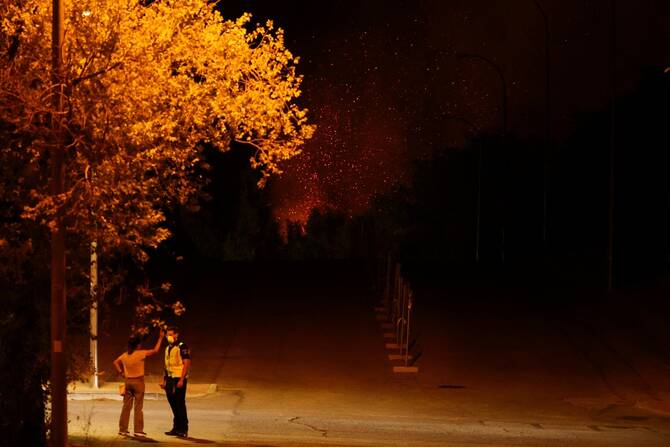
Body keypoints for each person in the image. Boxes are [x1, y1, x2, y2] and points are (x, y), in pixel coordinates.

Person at [113, 328, 164, 437]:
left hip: (128, 382)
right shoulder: (141, 353)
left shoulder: (125, 355)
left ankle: (123, 429)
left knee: (126, 407)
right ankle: (138, 430)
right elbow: (155, 350)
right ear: (137, 345)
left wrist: (121, 372)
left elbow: (115, 362)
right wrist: (160, 338)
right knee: (138, 407)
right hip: (138, 382)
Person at [161, 326, 191, 438]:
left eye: (171, 334)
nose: (168, 336)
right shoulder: (167, 348)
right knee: (173, 403)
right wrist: (164, 380)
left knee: (180, 403)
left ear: (176, 335)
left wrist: (182, 379)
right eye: (167, 334)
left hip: (178, 378)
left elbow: (187, 362)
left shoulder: (182, 346)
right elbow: (166, 365)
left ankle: (183, 428)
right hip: (169, 378)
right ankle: (176, 427)